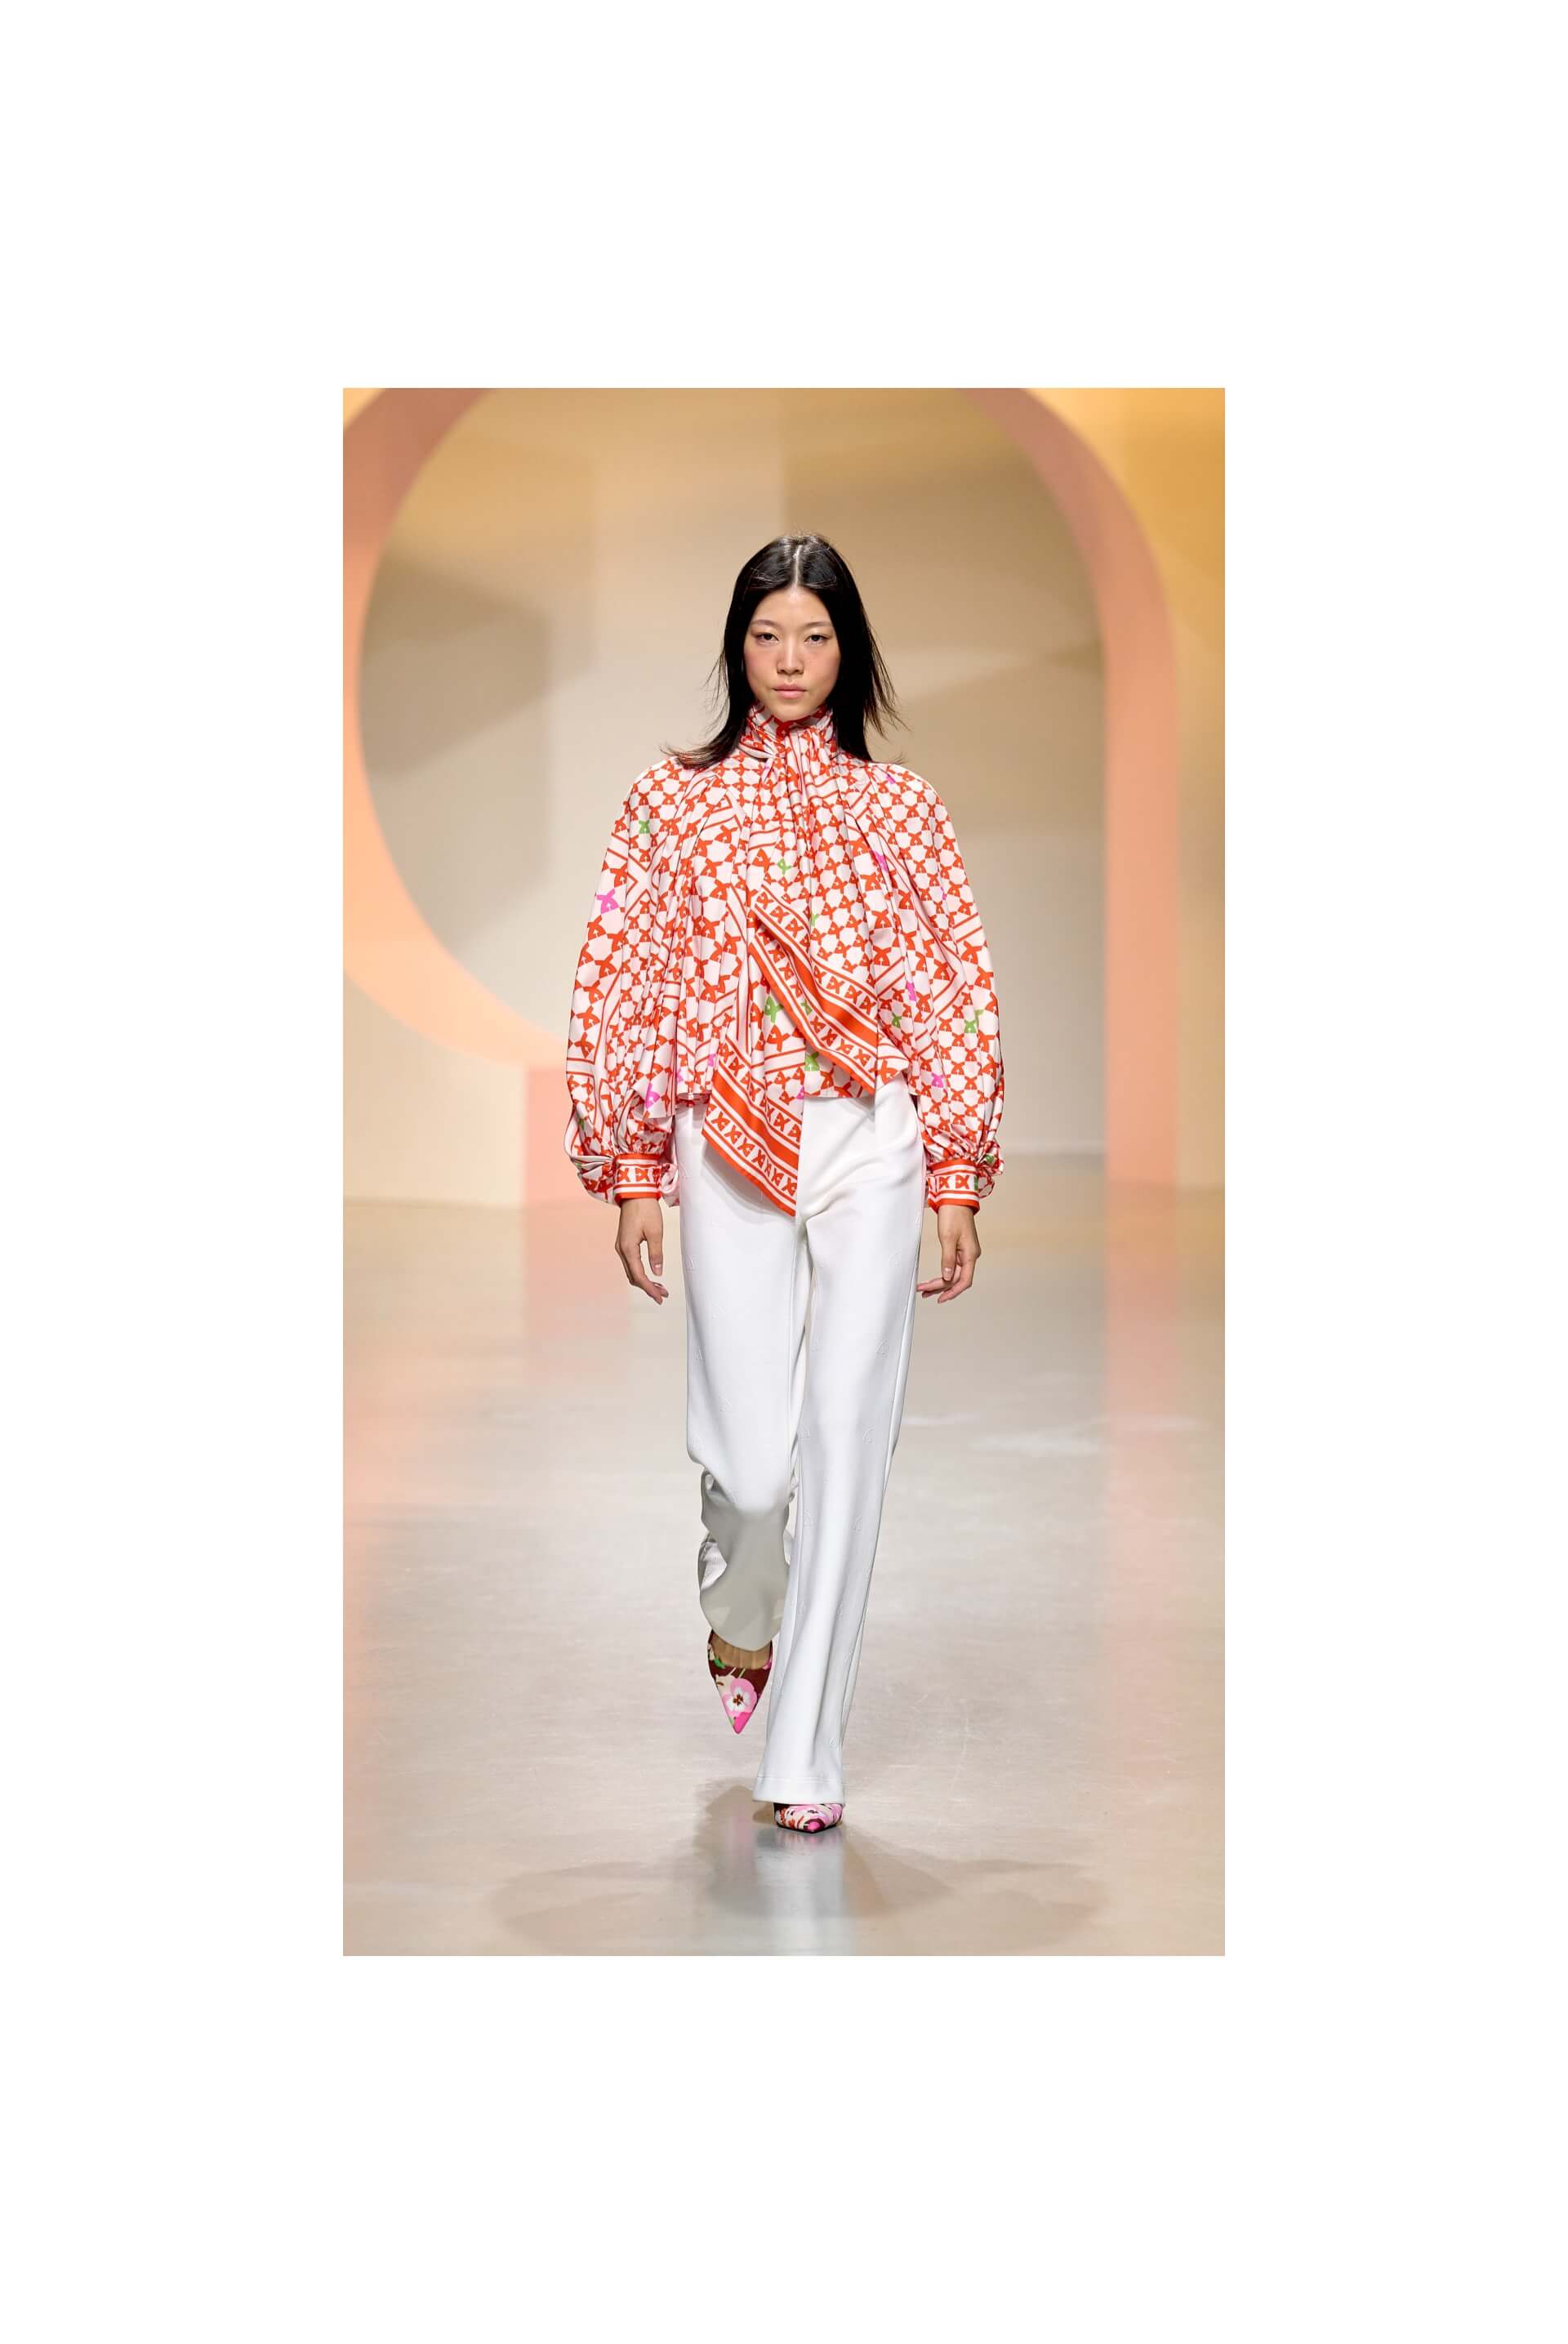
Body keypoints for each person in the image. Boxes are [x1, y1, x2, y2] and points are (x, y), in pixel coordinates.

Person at [563, 534, 1005, 1833]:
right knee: (754, 1467)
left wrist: (957, 1170)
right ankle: (742, 1603)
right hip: (727, 1135)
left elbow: (951, 983)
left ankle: (804, 1752)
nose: (792, 660)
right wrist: (633, 1167)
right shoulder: (673, 802)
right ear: (736, 646)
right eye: (769, 635)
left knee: (849, 1433)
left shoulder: (901, 808)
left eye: (816, 636)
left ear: (848, 650)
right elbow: (628, 976)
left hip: (872, 1131)